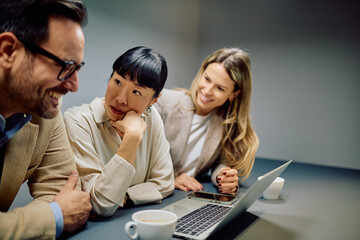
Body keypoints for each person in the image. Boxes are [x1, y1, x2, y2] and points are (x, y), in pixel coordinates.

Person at [0, 0, 92, 239]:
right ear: (8, 51)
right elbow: (62, 210)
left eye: (77, 68)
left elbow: (64, 191)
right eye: (65, 66)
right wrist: (53, 216)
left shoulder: (44, 109)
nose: (74, 85)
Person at [63, 46, 174, 217]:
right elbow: (99, 204)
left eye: (136, 91)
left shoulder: (152, 118)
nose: (120, 99)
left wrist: (126, 196)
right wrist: (132, 139)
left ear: (153, 101)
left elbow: (165, 182)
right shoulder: (77, 121)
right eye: (117, 82)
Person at [154, 47, 259, 195]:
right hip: (156, 194)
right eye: (207, 79)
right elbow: (141, 160)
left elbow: (220, 162)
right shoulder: (163, 101)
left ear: (234, 94)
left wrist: (224, 177)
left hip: (187, 194)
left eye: (220, 88)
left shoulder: (226, 123)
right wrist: (170, 180)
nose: (207, 90)